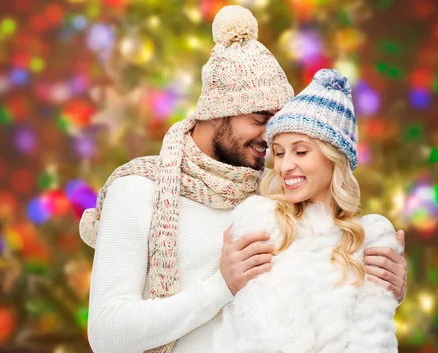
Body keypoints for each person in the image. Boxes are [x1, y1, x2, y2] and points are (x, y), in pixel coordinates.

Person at [79, 5, 407, 353]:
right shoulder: (139, 190)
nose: (270, 138)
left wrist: (383, 289)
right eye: (259, 118)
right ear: (215, 113)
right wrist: (221, 287)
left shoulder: (277, 195)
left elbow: (323, 293)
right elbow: (107, 335)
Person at [214, 69, 400, 353]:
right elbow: (245, 334)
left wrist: (392, 290)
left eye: (300, 152)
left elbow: (374, 339)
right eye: (278, 152)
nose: (285, 166)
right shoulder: (260, 224)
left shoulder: (369, 240)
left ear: (334, 158)